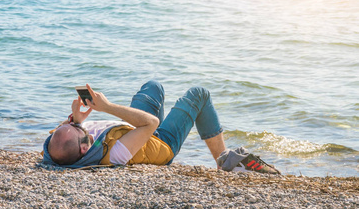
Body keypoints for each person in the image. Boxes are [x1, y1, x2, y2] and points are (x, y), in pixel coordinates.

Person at [42, 80, 280, 174]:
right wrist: (106, 106)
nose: (77, 126)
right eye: (78, 130)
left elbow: (58, 139)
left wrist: (75, 120)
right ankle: (224, 161)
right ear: (85, 149)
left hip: (132, 129)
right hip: (158, 141)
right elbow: (151, 124)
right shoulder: (113, 154)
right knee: (199, 95)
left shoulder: (57, 150)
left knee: (152, 87)